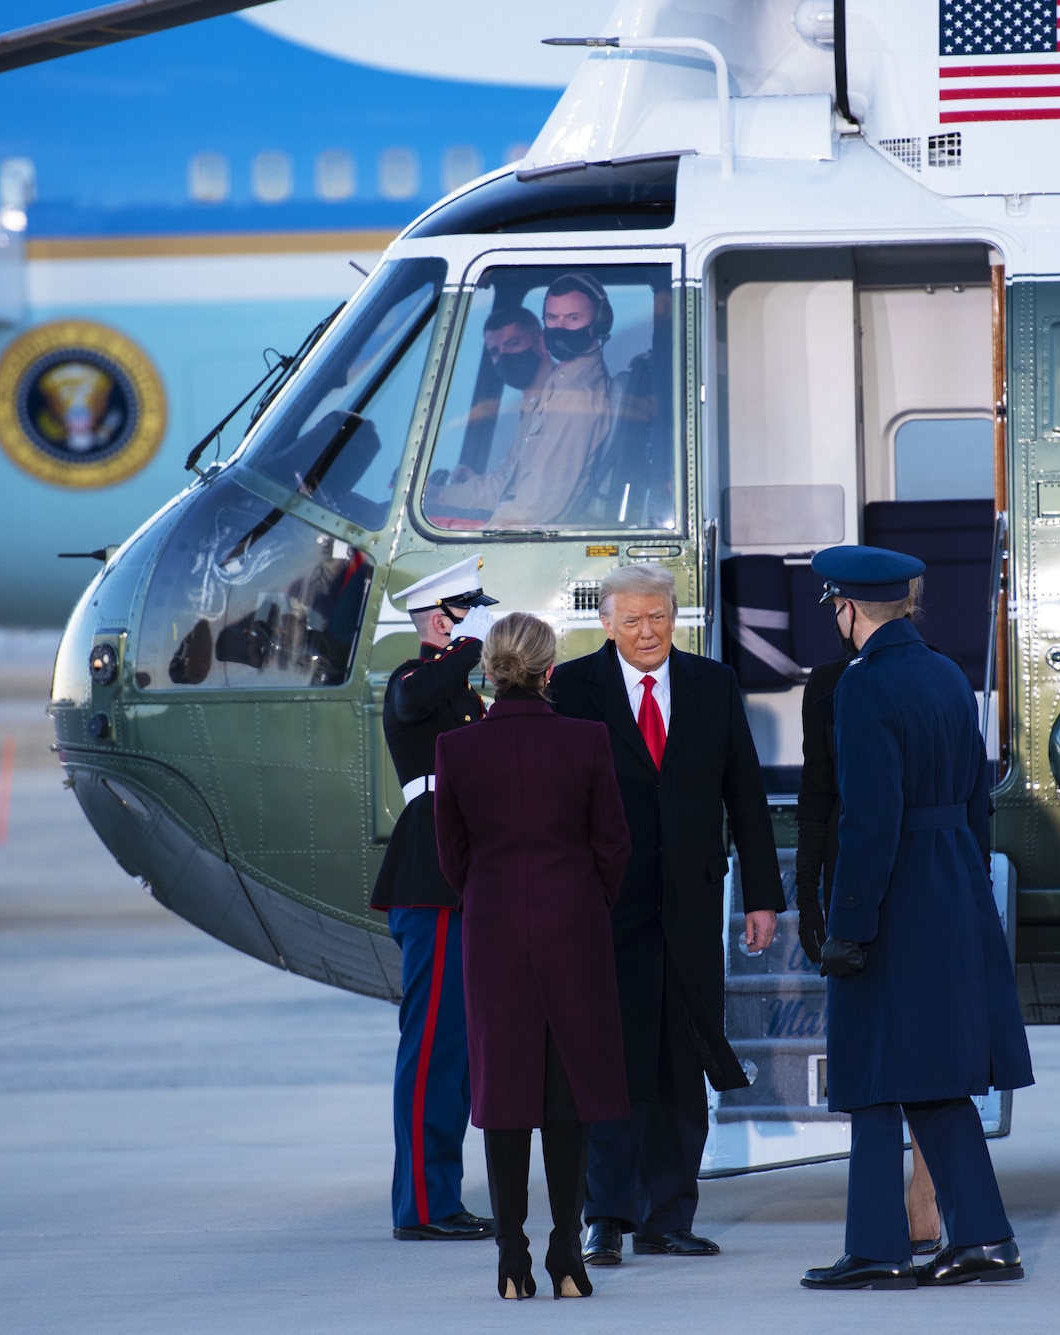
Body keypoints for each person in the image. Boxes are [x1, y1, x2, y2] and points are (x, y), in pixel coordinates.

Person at [800, 546, 1033, 1292]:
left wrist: (850, 921)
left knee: (870, 1075)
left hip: (894, 892)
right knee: (936, 1076)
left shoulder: (863, 687)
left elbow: (871, 818)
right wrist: (965, 881)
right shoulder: (944, 671)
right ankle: (986, 1237)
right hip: (951, 882)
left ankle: (877, 1246)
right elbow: (975, 798)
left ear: (848, 608)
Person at [550, 562, 784, 1266]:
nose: (648, 631)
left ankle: (669, 1214)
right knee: (611, 1062)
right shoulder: (572, 688)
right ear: (607, 623)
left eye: (659, 617)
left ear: (674, 615)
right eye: (633, 620)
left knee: (682, 1065)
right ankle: (607, 1216)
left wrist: (762, 894)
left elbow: (744, 791)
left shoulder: (712, 683)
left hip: (689, 905)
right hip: (605, 909)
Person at [434, 612, 633, 1300]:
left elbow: (452, 856)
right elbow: (613, 843)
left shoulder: (456, 750)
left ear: (488, 672)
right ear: (551, 671)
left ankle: (511, 1259)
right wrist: (583, 901)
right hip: (573, 927)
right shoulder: (588, 739)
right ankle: (567, 1256)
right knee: (570, 1094)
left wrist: (494, 899)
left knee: (506, 1094)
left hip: (492, 932)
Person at [796, 624, 941, 1258]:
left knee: (919, 1050)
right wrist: (806, 892)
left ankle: (921, 1199)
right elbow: (817, 791)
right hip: (867, 881)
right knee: (873, 1053)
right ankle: (889, 1216)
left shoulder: (931, 676)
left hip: (907, 886)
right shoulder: (830, 685)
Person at [369, 556, 499, 1243]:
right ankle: (422, 1204)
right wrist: (469, 643)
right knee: (433, 1048)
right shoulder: (415, 678)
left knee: (462, 1051)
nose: (481, 620)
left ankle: (439, 1195)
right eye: (468, 609)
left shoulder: (463, 693)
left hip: (465, 869)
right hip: (433, 872)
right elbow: (416, 701)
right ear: (439, 617)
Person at [432, 275, 614, 528]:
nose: (560, 328)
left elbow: (535, 508)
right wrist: (437, 496)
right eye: (552, 318)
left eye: (573, 318)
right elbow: (507, 480)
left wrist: (472, 531)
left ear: (600, 323)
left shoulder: (575, 397)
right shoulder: (556, 387)